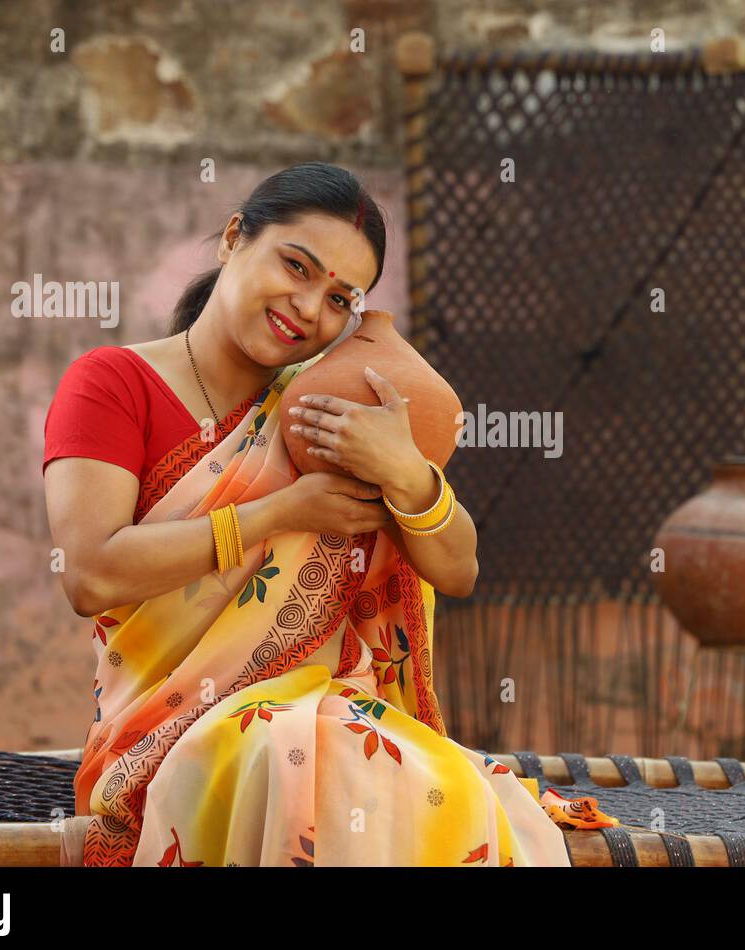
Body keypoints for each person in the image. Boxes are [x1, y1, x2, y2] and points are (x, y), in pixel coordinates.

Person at [42, 162, 608, 867]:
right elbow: (90, 574)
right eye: (297, 267)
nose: (311, 308)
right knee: (300, 761)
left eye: (341, 298)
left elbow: (458, 568)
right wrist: (281, 511)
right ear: (232, 238)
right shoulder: (114, 384)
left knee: (390, 773)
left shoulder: (323, 414)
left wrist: (407, 474)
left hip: (328, 719)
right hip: (165, 738)